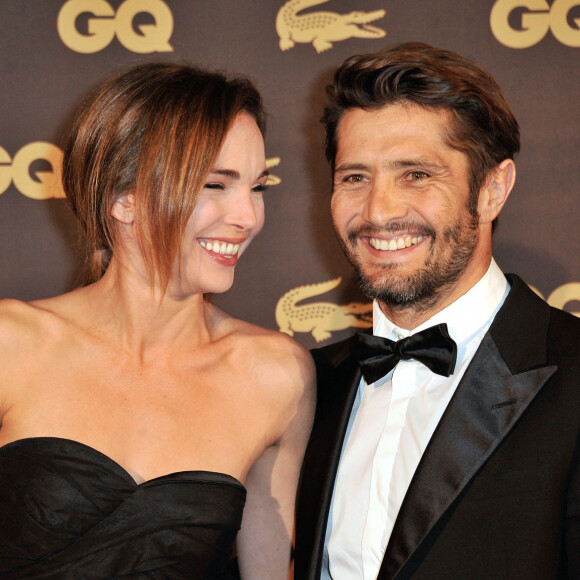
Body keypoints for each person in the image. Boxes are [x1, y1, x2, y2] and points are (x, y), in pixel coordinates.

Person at [0, 62, 315, 579]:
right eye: (216, 184)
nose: (249, 216)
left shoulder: (276, 375)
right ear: (122, 198)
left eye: (258, 187)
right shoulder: (14, 344)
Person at [295, 42, 580, 579]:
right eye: (355, 177)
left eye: (416, 175)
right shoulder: (308, 387)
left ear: (493, 189)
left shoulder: (572, 376)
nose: (378, 210)